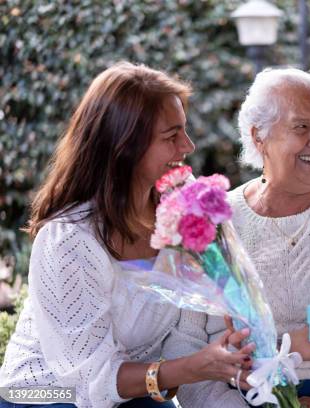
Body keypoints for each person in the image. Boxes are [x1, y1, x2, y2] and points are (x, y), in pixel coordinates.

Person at [0, 62, 254, 408]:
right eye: (171, 136)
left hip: (133, 391)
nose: (189, 145)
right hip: (45, 394)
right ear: (124, 147)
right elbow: (92, 381)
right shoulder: (69, 240)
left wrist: (236, 346)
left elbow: (201, 316)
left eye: (185, 130)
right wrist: (193, 369)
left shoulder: (184, 203)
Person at [162, 67, 310, 408]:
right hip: (239, 396)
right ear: (259, 136)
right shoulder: (216, 222)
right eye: (301, 127)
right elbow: (183, 342)